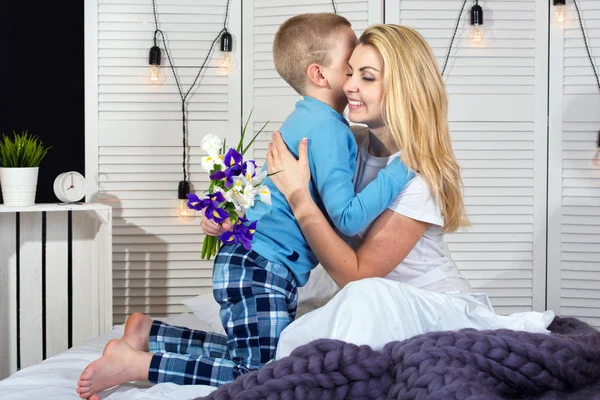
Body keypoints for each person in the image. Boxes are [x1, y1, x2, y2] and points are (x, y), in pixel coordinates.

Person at [76, 14, 413, 400]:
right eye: (348, 67)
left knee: (259, 355)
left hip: (254, 260)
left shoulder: (304, 118)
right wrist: (403, 167)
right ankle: (138, 365)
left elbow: (273, 195)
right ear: (320, 75)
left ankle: (150, 334)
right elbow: (347, 216)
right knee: (260, 374)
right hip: (263, 267)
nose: (353, 81)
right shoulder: (330, 131)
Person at [263, 24, 553, 358]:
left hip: (424, 305)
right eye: (349, 72)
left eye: (367, 77)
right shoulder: (344, 144)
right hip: (373, 303)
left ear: (403, 88)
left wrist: (299, 197)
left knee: (360, 299)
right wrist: (231, 221)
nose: (350, 86)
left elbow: (358, 276)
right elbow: (279, 185)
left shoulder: (420, 172)